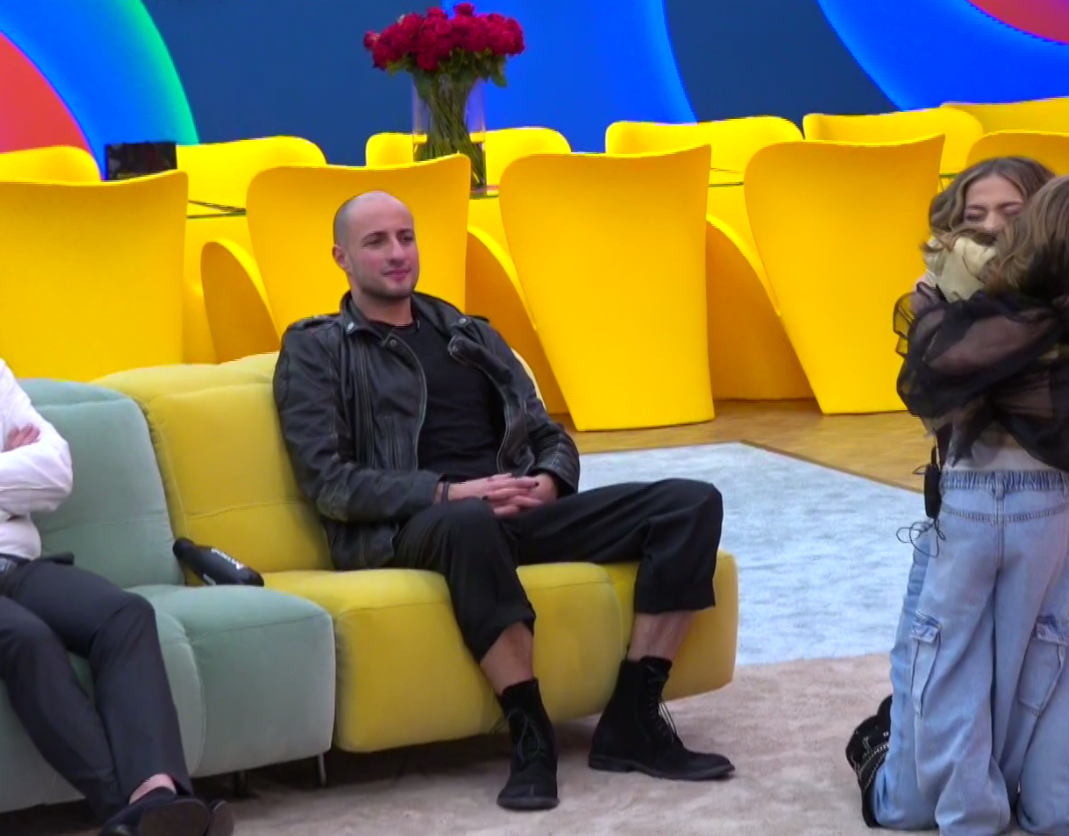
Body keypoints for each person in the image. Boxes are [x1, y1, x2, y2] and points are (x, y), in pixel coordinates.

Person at [272, 191, 733, 813]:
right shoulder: (318, 347)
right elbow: (328, 481)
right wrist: (447, 491)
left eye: (406, 237)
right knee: (469, 522)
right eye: (375, 242)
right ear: (341, 258)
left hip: (513, 510)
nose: (397, 253)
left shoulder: (470, 334)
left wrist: (549, 480)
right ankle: (530, 735)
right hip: (413, 526)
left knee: (691, 504)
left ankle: (634, 717)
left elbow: (546, 433)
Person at [848, 174, 1069, 835]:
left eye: (1009, 211)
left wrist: (991, 358)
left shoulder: (1065, 300)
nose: (988, 227)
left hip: (1053, 524)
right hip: (961, 519)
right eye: (973, 214)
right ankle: (889, 730)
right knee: (906, 809)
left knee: (1061, 816)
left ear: (1042, 222)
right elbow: (931, 378)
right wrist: (1046, 325)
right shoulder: (940, 301)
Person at [0, 359, 234, 836]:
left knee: (125, 615)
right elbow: (31, 475)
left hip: (18, 565)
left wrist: (27, 468)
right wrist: (12, 471)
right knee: (30, 639)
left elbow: (55, 471)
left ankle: (152, 797)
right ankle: (144, 812)